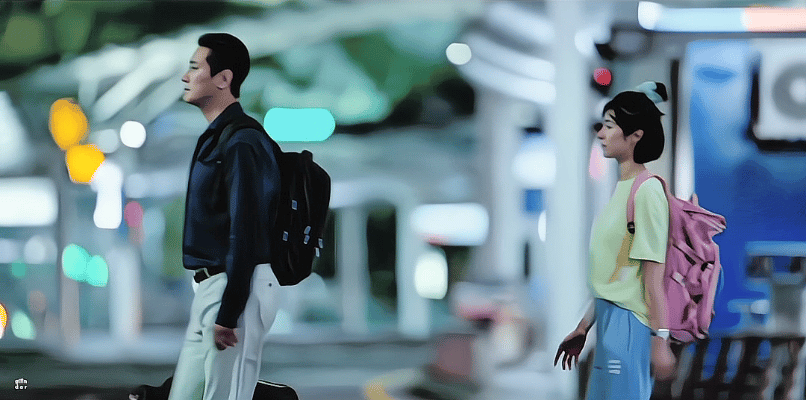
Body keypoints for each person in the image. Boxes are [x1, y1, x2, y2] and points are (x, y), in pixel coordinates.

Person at [169, 32, 282, 400]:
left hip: (236, 288)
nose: (185, 76)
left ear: (223, 79)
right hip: (210, 288)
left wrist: (229, 312)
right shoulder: (218, 138)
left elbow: (246, 230)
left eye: (194, 67)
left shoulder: (242, 141)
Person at [554, 81, 675, 400]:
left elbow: (652, 278)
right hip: (608, 327)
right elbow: (613, 278)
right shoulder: (621, 191)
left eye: (609, 126)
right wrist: (583, 327)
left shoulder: (647, 192)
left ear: (635, 135)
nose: (601, 134)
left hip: (629, 328)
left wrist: (660, 340)